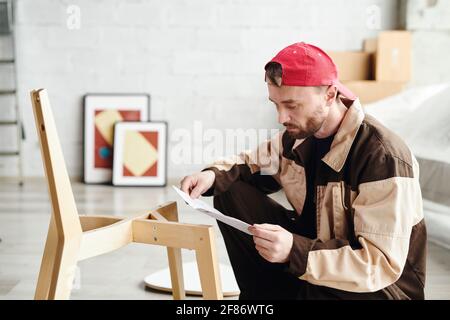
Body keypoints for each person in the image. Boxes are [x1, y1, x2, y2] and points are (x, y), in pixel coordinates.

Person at [180, 42, 427, 300]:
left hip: (380, 289)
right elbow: (250, 163)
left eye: (291, 105)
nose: (281, 117)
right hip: (315, 262)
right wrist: (211, 175)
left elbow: (378, 263)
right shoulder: (299, 136)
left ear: (330, 95)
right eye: (275, 104)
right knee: (229, 189)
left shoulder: (382, 156)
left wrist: (294, 251)